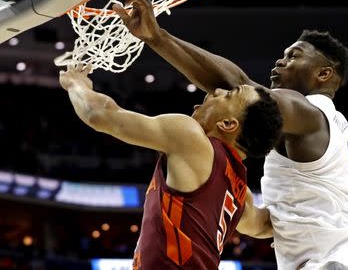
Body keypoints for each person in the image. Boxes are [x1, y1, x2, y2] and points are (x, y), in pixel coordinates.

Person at [112, 0, 348, 269]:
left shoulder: (309, 111)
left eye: (294, 56)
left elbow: (238, 85)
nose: (280, 61)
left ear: (323, 75)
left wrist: (157, 37)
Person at [59, 63, 283, 269]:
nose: (215, 91)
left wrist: (76, 84)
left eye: (230, 94)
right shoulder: (240, 192)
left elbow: (101, 114)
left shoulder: (191, 137)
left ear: (227, 124)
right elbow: (263, 225)